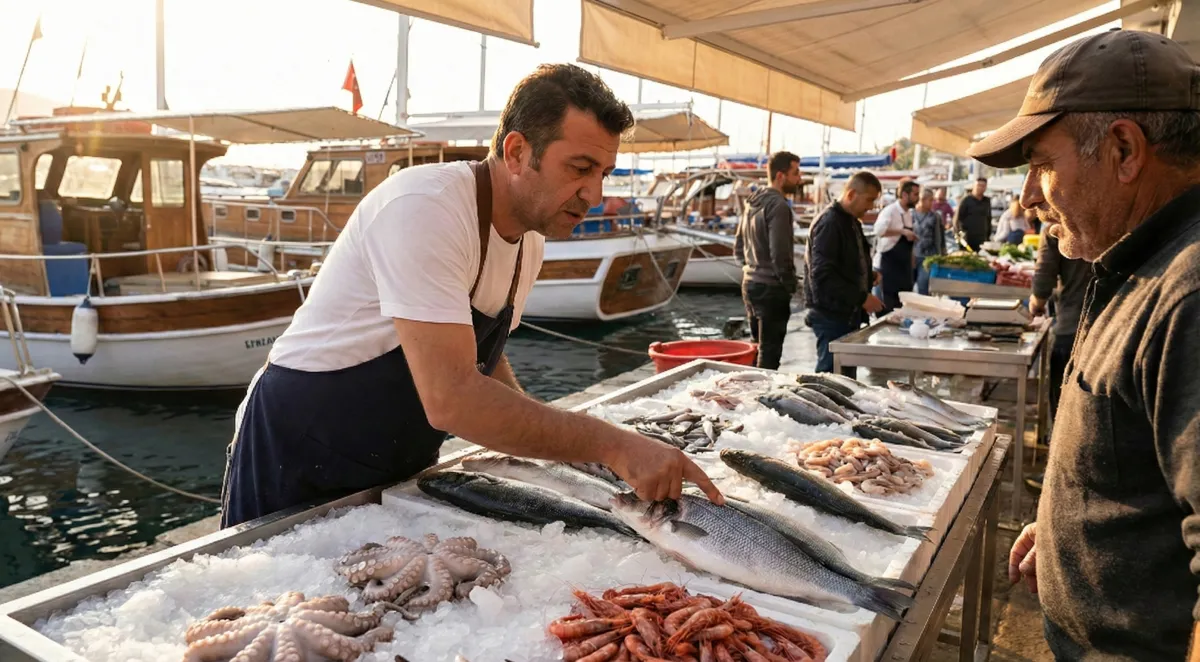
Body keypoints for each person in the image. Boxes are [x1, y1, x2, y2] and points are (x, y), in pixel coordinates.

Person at [219, 64, 723, 528]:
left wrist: (546, 445)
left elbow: (483, 358)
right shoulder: (426, 208)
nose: (593, 195)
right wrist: (614, 447)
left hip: (393, 464)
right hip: (296, 454)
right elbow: (452, 397)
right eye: (579, 167)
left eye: (603, 174)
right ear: (518, 152)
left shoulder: (531, 241)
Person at [969, 29, 1200, 661]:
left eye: (1042, 164)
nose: (1026, 197)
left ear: (1124, 149)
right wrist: (1074, 526)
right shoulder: (1135, 259)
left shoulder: (1189, 293)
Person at [1024, 225, 1090, 493]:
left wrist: (1036, 302)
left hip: (1073, 327)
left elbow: (1044, 275)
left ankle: (1061, 479)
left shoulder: (1056, 212)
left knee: (1065, 410)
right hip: (1111, 326)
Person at [803, 171, 884, 376]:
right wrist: (862, 297)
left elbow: (845, 263)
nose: (871, 207)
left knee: (845, 377)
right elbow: (822, 276)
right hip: (831, 316)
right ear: (851, 194)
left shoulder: (851, 221)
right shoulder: (830, 223)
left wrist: (867, 276)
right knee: (831, 377)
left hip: (846, 314)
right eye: (869, 200)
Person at [734, 151, 802, 370]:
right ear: (781, 176)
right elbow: (780, 254)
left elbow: (738, 248)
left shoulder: (751, 203)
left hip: (750, 285)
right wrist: (792, 286)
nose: (799, 178)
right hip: (771, 288)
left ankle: (751, 396)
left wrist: (750, 270)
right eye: (796, 173)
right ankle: (763, 399)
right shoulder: (779, 206)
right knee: (769, 354)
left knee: (756, 348)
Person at [872, 180, 919, 313]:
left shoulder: (909, 214)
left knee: (902, 308)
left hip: (904, 269)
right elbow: (879, 231)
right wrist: (902, 231)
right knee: (886, 308)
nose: (918, 198)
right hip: (888, 268)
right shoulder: (890, 211)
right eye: (915, 194)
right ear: (904, 194)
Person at [912, 187, 945, 296]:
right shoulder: (911, 214)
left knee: (923, 286)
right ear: (922, 199)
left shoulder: (935, 216)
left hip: (928, 257)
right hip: (911, 256)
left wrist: (941, 255)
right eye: (930, 200)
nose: (933, 203)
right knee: (908, 286)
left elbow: (940, 238)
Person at [952, 178, 991, 251]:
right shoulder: (966, 200)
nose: (980, 188)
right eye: (978, 185)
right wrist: (959, 236)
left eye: (983, 186)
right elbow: (956, 220)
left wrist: (988, 236)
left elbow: (988, 219)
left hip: (982, 239)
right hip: (967, 240)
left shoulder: (987, 201)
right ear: (974, 186)